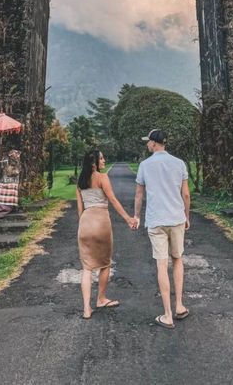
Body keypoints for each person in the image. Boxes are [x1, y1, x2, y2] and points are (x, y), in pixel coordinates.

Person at [134, 129, 190, 329]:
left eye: (148, 142)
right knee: (177, 260)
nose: (147, 145)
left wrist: (137, 216)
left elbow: (139, 195)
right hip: (176, 218)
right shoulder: (179, 163)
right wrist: (187, 216)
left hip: (156, 220)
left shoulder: (145, 165)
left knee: (161, 265)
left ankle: (167, 314)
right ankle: (180, 306)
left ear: (154, 143)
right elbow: (185, 195)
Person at [76, 149, 137, 319]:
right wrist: (128, 219)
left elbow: (80, 210)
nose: (104, 160)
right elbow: (113, 200)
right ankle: (101, 299)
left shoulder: (80, 182)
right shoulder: (102, 178)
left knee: (87, 268)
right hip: (101, 223)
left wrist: (83, 226)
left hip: (85, 224)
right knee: (105, 264)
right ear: (94, 162)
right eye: (101, 158)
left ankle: (86, 309)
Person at [0, 148, 21, 219]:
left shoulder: (12, 155)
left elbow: (15, 170)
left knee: (10, 190)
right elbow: (6, 169)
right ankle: (0, 210)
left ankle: (5, 208)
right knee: (3, 191)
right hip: (7, 179)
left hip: (11, 179)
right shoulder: (6, 157)